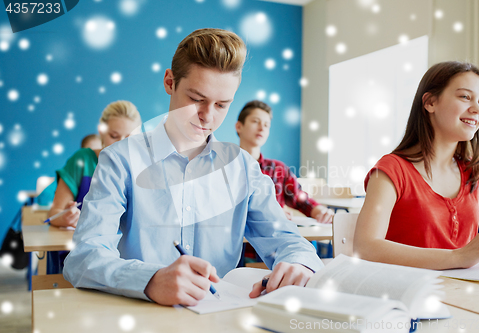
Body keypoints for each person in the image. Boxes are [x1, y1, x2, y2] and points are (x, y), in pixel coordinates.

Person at [63, 28, 323, 306]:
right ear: (169, 82)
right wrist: (150, 280)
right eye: (196, 99)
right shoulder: (120, 159)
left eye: (222, 105)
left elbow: (288, 240)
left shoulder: (243, 168)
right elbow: (83, 258)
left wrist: (299, 263)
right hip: (142, 316)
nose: (207, 116)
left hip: (220, 316)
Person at [354, 61, 479, 270]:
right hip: (405, 294)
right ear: (430, 102)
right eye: (465, 97)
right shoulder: (392, 170)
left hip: (461, 294)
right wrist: (458, 257)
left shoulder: (477, 173)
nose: (477, 110)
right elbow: (366, 248)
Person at [236, 100, 334, 223]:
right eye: (256, 121)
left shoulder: (278, 169)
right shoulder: (226, 167)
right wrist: (270, 211)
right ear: (239, 126)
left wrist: (320, 211)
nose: (262, 128)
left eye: (266, 125)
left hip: (274, 239)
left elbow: (299, 198)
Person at [48, 100, 141, 228]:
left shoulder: (143, 168)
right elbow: (54, 214)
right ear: (101, 132)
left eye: (129, 137)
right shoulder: (82, 161)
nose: (121, 144)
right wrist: (66, 218)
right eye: (114, 136)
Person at [36, 133, 103, 206]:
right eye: (90, 152)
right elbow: (45, 197)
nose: (93, 156)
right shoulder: (71, 177)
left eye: (99, 151)